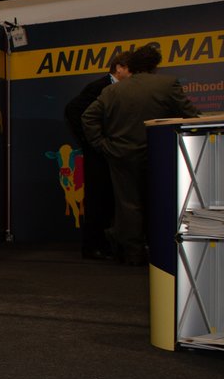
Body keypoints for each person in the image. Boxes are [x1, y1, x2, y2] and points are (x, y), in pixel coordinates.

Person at [81, 43, 199, 266]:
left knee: (128, 205)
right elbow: (190, 116)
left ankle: (133, 253)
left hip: (121, 155)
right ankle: (163, 253)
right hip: (160, 155)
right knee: (161, 201)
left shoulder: (113, 90)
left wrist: (102, 144)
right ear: (154, 64)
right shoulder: (167, 84)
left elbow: (88, 118)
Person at [63, 51, 130, 260]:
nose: (133, 74)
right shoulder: (98, 87)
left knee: (110, 200)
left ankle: (107, 245)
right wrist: (90, 142)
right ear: (118, 68)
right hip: (98, 154)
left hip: (111, 153)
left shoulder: (121, 89)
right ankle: (92, 246)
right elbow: (73, 110)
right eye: (130, 69)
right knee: (97, 200)